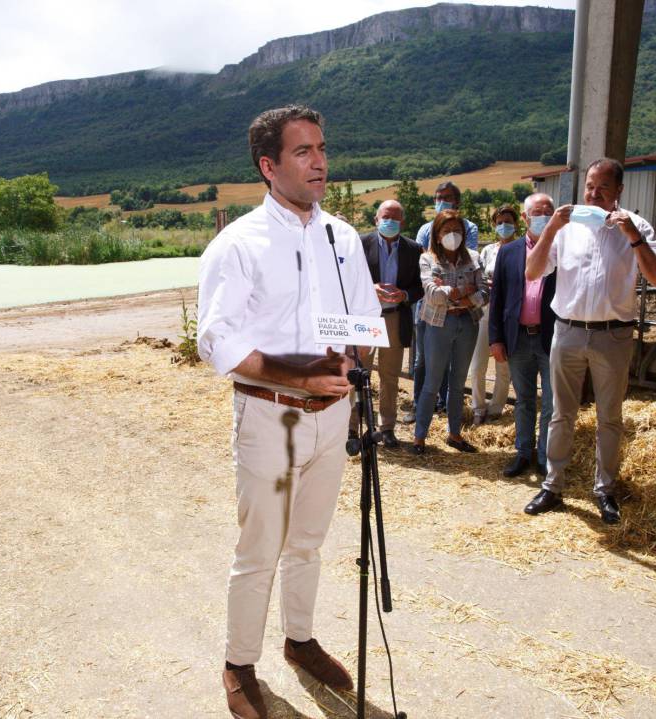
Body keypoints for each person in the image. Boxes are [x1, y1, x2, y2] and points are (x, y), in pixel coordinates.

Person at [197, 105, 381, 719]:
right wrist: (295, 374)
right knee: (261, 548)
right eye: (303, 152)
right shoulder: (239, 244)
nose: (320, 161)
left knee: (308, 542)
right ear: (268, 166)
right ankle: (238, 665)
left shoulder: (343, 237)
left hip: (332, 417)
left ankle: (299, 642)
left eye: (322, 148)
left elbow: (361, 320)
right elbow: (214, 340)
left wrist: (351, 372)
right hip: (272, 417)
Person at [522, 159, 656, 524]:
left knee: (609, 417)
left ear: (619, 191)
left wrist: (633, 236)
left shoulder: (637, 227)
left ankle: (604, 489)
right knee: (561, 413)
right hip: (568, 330)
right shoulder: (568, 228)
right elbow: (532, 271)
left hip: (613, 335)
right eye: (589, 186)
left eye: (603, 187)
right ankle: (553, 486)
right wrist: (552, 229)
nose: (593, 193)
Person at [488, 193, 558, 478]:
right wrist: (496, 338)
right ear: (526, 217)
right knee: (524, 400)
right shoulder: (509, 251)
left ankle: (544, 456)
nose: (543, 217)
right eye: (537, 213)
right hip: (518, 337)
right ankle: (523, 452)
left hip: (552, 338)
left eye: (548, 213)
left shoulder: (563, 249)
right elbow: (499, 297)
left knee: (552, 403)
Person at [412, 209, 488, 455]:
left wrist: (456, 295)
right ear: (436, 234)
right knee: (432, 383)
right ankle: (419, 437)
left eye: (456, 231)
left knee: (457, 383)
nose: (452, 235)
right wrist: (463, 291)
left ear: (464, 234)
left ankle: (454, 434)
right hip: (438, 324)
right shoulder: (428, 259)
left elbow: (484, 292)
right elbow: (432, 295)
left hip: (467, 323)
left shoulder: (474, 257)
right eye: (446, 231)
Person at [406, 182, 479, 424]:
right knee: (421, 360)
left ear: (457, 201)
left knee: (450, 362)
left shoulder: (469, 228)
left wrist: (447, 287)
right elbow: (427, 269)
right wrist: (459, 290)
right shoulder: (426, 228)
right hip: (429, 309)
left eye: (446, 198)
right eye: (438, 198)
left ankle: (445, 406)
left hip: (460, 315)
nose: (441, 202)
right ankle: (420, 406)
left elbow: (467, 266)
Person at [354, 200, 423, 448]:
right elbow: (348, 279)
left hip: (394, 317)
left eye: (395, 217)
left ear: (402, 222)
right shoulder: (360, 244)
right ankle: (354, 427)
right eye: (386, 216)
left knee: (390, 375)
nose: (390, 221)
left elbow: (419, 286)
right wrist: (369, 288)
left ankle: (387, 428)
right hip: (366, 318)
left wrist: (404, 295)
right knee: (359, 372)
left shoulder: (414, 249)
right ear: (376, 219)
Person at [469, 205, 516, 425]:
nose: (504, 226)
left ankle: (496, 407)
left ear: (516, 224)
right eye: (499, 222)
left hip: (509, 314)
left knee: (502, 363)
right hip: (485, 312)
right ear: (494, 225)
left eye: (508, 221)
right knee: (477, 364)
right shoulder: (488, 251)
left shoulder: (521, 248)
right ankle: (478, 407)